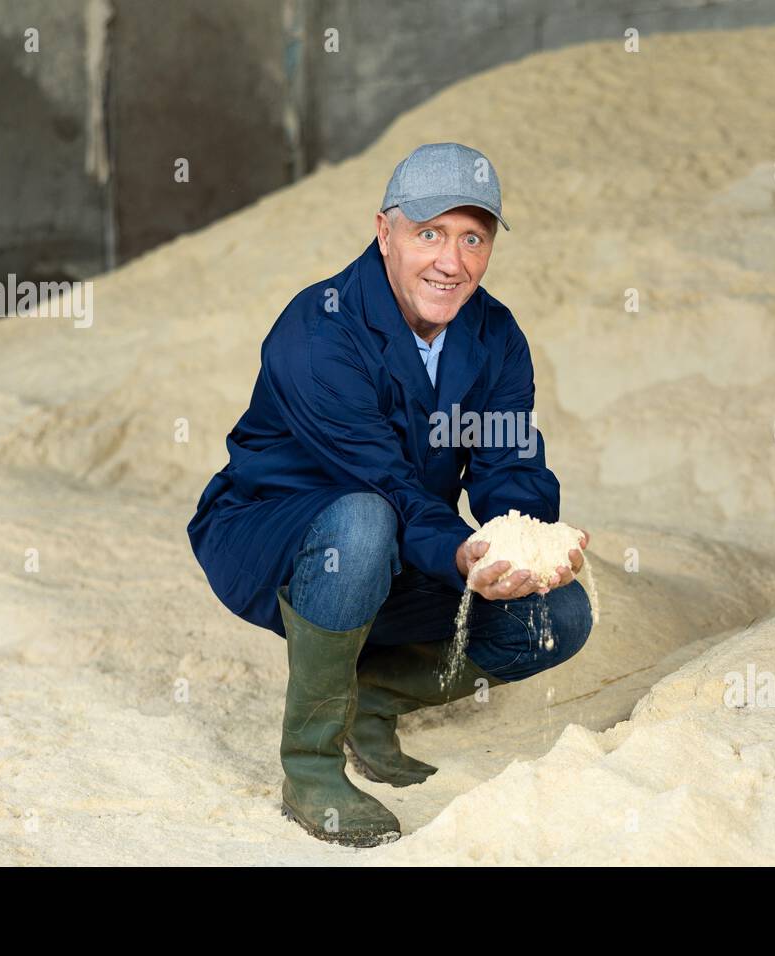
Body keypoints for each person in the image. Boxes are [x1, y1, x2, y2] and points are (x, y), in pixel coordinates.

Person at [186, 142, 595, 847]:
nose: (451, 262)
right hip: (278, 534)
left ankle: (370, 698)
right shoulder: (319, 330)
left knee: (559, 614)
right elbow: (386, 486)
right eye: (429, 233)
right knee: (363, 521)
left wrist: (526, 543)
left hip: (406, 542)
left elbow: (510, 461)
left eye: (473, 238)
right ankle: (311, 765)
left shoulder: (496, 334)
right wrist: (462, 555)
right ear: (385, 232)